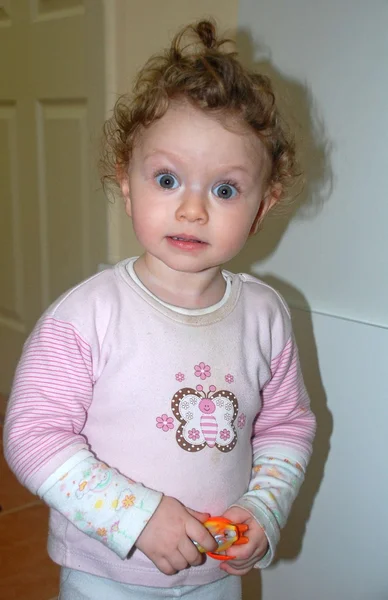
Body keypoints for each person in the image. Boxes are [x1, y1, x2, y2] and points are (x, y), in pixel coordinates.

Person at [3, 19, 316, 600]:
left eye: (224, 189)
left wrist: (263, 507)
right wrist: (136, 517)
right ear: (126, 183)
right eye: (167, 179)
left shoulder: (265, 315)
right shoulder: (87, 316)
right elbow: (34, 433)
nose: (193, 209)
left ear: (262, 205)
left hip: (215, 573)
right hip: (105, 574)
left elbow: (286, 427)